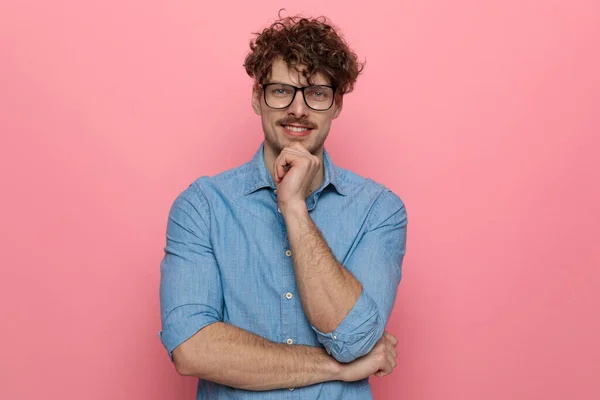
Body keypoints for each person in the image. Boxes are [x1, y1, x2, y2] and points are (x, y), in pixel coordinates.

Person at [159, 13, 408, 399]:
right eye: (281, 91)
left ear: (336, 105)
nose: (298, 109)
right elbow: (192, 350)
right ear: (258, 98)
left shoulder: (379, 210)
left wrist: (293, 206)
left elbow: (355, 340)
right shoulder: (202, 206)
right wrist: (335, 368)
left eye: (317, 93)